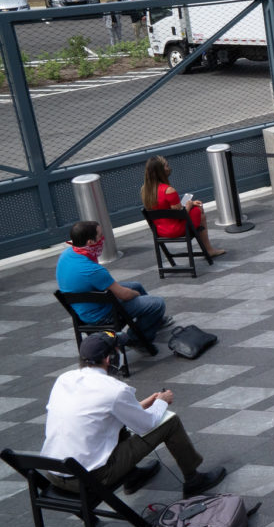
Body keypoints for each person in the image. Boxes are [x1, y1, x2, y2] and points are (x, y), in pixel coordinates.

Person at [40, 331, 226, 497]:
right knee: (170, 422)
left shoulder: (64, 379)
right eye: (119, 350)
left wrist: (141, 405)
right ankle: (193, 480)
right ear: (108, 358)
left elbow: (101, 413)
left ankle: (132, 475)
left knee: (118, 423)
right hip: (90, 479)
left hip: (55, 472)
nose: (121, 353)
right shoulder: (114, 390)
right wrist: (162, 401)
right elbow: (147, 424)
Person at [56, 220, 170, 348]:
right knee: (157, 303)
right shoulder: (92, 270)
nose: (102, 239)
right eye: (100, 236)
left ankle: (152, 322)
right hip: (100, 316)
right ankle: (137, 339)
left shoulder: (67, 254)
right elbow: (124, 295)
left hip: (84, 308)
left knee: (136, 285)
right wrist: (136, 295)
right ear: (90, 242)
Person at [141, 155, 225, 258]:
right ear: (161, 171)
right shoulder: (169, 190)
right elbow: (179, 215)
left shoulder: (145, 191)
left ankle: (208, 249)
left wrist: (189, 204)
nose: (169, 168)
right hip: (176, 229)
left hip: (160, 230)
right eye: (167, 166)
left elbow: (167, 209)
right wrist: (189, 205)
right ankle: (208, 249)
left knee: (196, 209)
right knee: (198, 210)